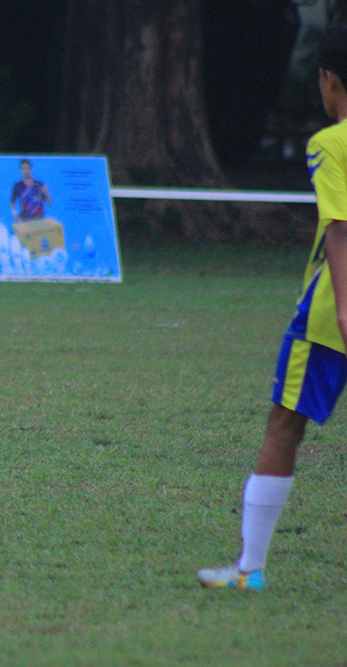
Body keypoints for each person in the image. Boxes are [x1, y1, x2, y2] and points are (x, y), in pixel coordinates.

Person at [197, 22, 347, 590]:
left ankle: (249, 569)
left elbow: (339, 227)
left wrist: (343, 311)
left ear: (329, 80)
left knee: (284, 425)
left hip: (330, 314)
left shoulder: (329, 144)